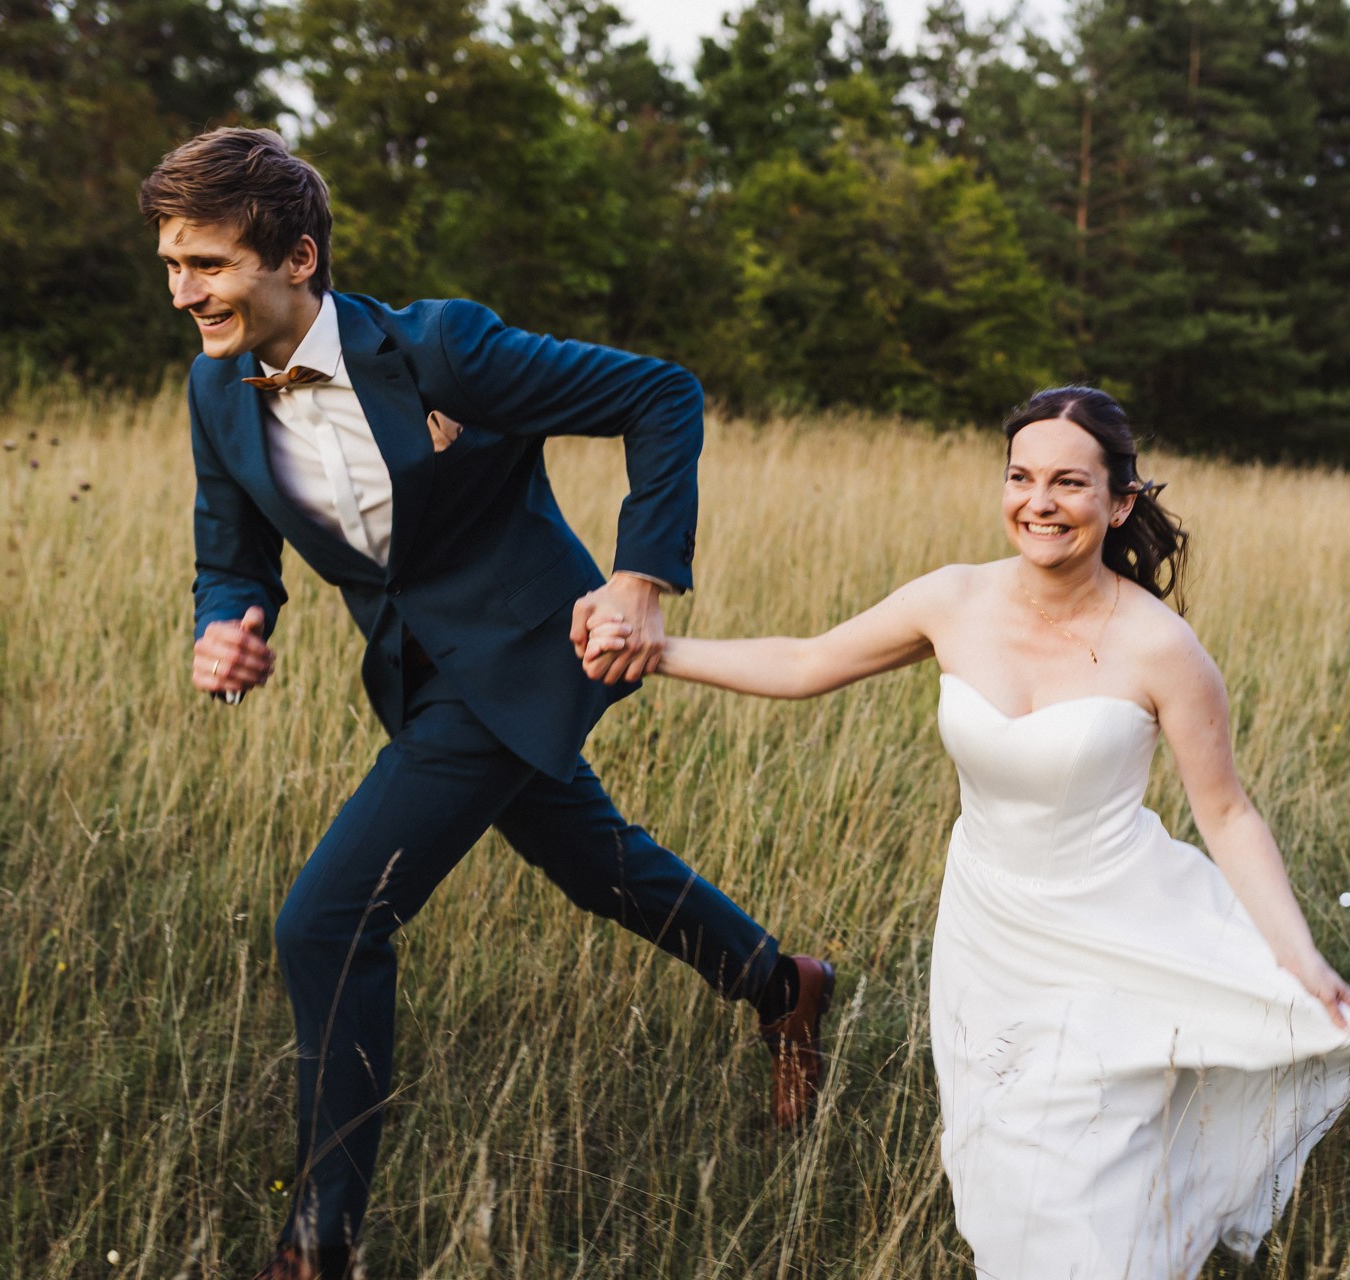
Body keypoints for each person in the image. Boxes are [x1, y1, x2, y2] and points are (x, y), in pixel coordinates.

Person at [140, 127, 834, 1280]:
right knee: (593, 860)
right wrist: (229, 619)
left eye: (205, 264)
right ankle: (782, 982)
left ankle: (320, 1240)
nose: (181, 293)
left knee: (328, 920)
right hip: (420, 676)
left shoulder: (441, 347)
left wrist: (639, 577)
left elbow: (662, 395)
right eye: (170, 264)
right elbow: (234, 548)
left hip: (537, 646)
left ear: (297, 256)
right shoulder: (217, 391)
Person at [576, 387, 1350, 1277]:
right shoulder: (955, 600)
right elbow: (804, 662)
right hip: (989, 931)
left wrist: (1294, 951)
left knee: (1087, 1187)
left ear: (1120, 502)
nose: (1039, 502)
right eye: (1021, 477)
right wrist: (658, 650)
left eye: (1069, 482)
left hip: (1118, 928)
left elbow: (1226, 812)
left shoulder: (1162, 648)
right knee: (1012, 1174)